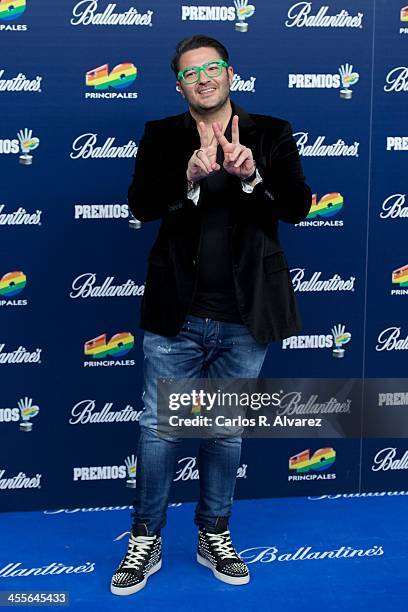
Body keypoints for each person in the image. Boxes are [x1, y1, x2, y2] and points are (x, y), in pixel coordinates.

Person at [110, 34, 312, 596]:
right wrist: (189, 179)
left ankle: (213, 534)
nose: (204, 78)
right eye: (191, 73)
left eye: (213, 68)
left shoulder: (271, 132)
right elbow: (140, 204)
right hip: (176, 315)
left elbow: (298, 207)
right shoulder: (161, 136)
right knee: (159, 429)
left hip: (245, 317)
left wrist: (252, 177)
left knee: (223, 432)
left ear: (230, 73)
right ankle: (145, 539)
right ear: (179, 84)